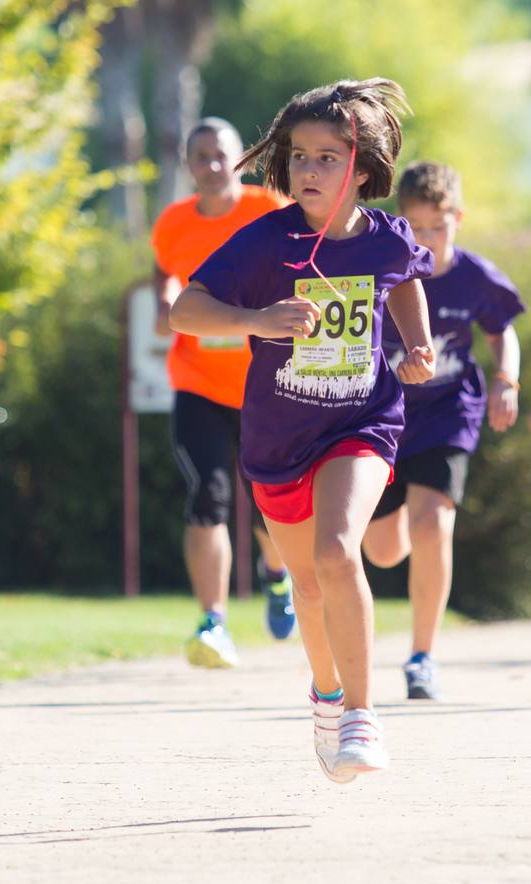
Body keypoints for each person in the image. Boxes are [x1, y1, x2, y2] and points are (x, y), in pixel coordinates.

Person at [169, 78, 435, 782]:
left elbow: (405, 278)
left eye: (326, 156)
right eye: (298, 156)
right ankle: (325, 693)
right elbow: (185, 311)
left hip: (363, 421)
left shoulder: (388, 237)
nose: (309, 170)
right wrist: (254, 321)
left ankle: (362, 715)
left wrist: (416, 346)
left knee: (339, 552)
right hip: (278, 440)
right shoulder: (263, 241)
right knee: (310, 587)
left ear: (362, 166)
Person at [361, 162, 526, 699]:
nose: (428, 240)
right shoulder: (382, 270)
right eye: (417, 228)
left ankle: (421, 657)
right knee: (383, 551)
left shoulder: (476, 277)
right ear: (400, 223)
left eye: (439, 227)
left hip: (449, 412)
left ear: (458, 218)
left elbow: (504, 334)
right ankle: (408, 516)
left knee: (434, 525)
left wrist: (506, 380)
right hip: (384, 415)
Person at [149, 118, 297, 667]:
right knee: (206, 497)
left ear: (243, 160)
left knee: (269, 503)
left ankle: (276, 577)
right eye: (201, 156)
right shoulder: (173, 223)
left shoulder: (271, 211)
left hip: (267, 384)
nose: (212, 165)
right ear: (188, 165)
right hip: (198, 384)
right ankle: (213, 621)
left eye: (222, 155)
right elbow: (164, 274)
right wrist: (167, 303)